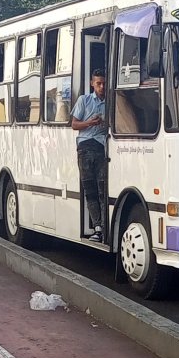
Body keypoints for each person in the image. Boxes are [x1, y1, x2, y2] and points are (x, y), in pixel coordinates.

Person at [71, 69, 107, 242]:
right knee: (90, 190)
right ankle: (98, 227)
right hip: (85, 148)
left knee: (102, 190)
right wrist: (90, 123)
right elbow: (74, 125)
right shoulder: (84, 100)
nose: (101, 87)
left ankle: (104, 227)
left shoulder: (111, 103)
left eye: (104, 84)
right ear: (92, 83)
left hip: (101, 148)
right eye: (98, 83)